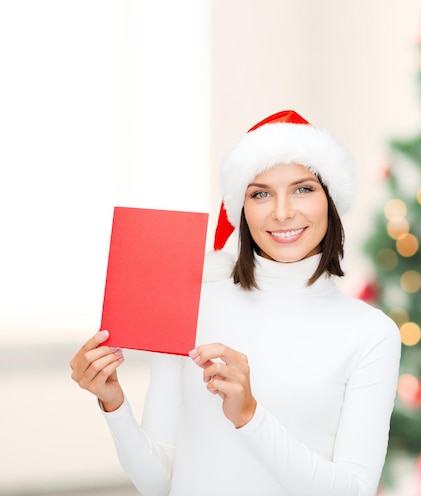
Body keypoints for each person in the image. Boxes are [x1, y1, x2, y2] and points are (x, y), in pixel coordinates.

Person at [70, 110, 401, 496]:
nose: (282, 212)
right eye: (260, 193)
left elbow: (353, 490)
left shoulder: (371, 333)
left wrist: (249, 416)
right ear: (241, 208)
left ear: (330, 198)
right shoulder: (192, 304)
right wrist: (113, 404)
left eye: (303, 189)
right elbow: (160, 484)